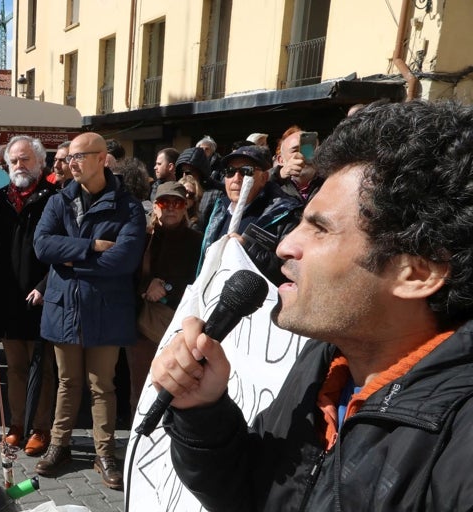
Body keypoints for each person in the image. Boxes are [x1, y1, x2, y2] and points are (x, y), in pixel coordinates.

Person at [152, 100, 473, 511]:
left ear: (417, 273)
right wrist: (201, 410)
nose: (285, 245)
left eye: (319, 229)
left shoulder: (459, 443)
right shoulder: (327, 362)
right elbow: (251, 492)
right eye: (302, 221)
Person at [32, 132, 145, 490]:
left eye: (80, 156)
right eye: (69, 158)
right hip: (64, 306)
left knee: (102, 385)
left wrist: (68, 261)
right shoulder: (58, 200)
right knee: (68, 382)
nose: (71, 163)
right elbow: (41, 245)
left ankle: (105, 453)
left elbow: (124, 260)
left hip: (106, 309)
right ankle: (59, 445)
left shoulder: (127, 205)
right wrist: (89, 246)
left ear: (102, 159)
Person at [0, 135, 56, 457]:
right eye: (14, 161)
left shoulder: (54, 197)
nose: (19, 165)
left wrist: (45, 286)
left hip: (40, 296)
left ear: (40, 163)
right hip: (8, 296)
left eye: (25, 159)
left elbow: (62, 252)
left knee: (41, 367)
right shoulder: (0, 198)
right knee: (15, 366)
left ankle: (41, 427)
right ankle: (17, 424)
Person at [129, 181, 201, 408]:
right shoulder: (142, 239)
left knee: (178, 390)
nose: (170, 208)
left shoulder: (198, 241)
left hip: (181, 327)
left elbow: (200, 281)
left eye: (177, 202)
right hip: (142, 327)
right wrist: (146, 285)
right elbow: (127, 276)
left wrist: (166, 288)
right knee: (140, 389)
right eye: (164, 202)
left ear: (185, 207)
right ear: (155, 207)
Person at [199, 145, 302, 284]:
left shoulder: (284, 214)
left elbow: (290, 270)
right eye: (230, 171)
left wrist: (248, 249)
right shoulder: (219, 210)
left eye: (246, 171)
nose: (237, 178)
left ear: (264, 177)